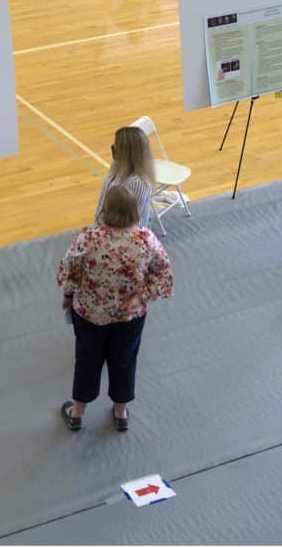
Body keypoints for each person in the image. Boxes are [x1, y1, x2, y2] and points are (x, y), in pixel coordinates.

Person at [57, 185, 173, 433]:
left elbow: (70, 271)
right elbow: (164, 275)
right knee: (125, 360)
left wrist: (68, 295)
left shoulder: (87, 237)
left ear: (105, 209)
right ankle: (121, 413)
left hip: (89, 314)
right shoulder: (146, 240)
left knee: (87, 360)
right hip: (129, 317)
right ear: (134, 211)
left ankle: (77, 413)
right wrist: (141, 295)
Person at [95, 126, 156, 228]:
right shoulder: (116, 170)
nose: (113, 147)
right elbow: (102, 204)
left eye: (117, 145)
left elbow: (129, 221)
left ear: (127, 152)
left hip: (125, 236)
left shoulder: (138, 184)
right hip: (106, 228)